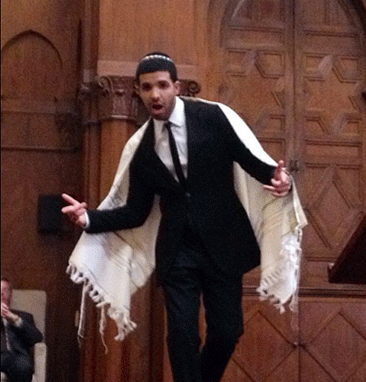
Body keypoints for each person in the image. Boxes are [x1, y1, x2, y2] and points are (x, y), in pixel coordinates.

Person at [62, 52, 307, 382]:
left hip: (223, 244)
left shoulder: (211, 117)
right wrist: (89, 219)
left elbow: (249, 160)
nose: (155, 94)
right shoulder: (141, 149)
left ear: (177, 87)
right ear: (137, 91)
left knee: (227, 331)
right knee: (181, 336)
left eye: (162, 85)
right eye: (147, 88)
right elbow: (136, 212)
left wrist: (282, 180)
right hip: (178, 252)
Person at [1, 277, 43, 382]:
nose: (1, 293)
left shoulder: (25, 316)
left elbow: (37, 338)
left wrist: (15, 319)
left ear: (10, 294)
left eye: (5, 290)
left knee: (24, 367)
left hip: (18, 357)